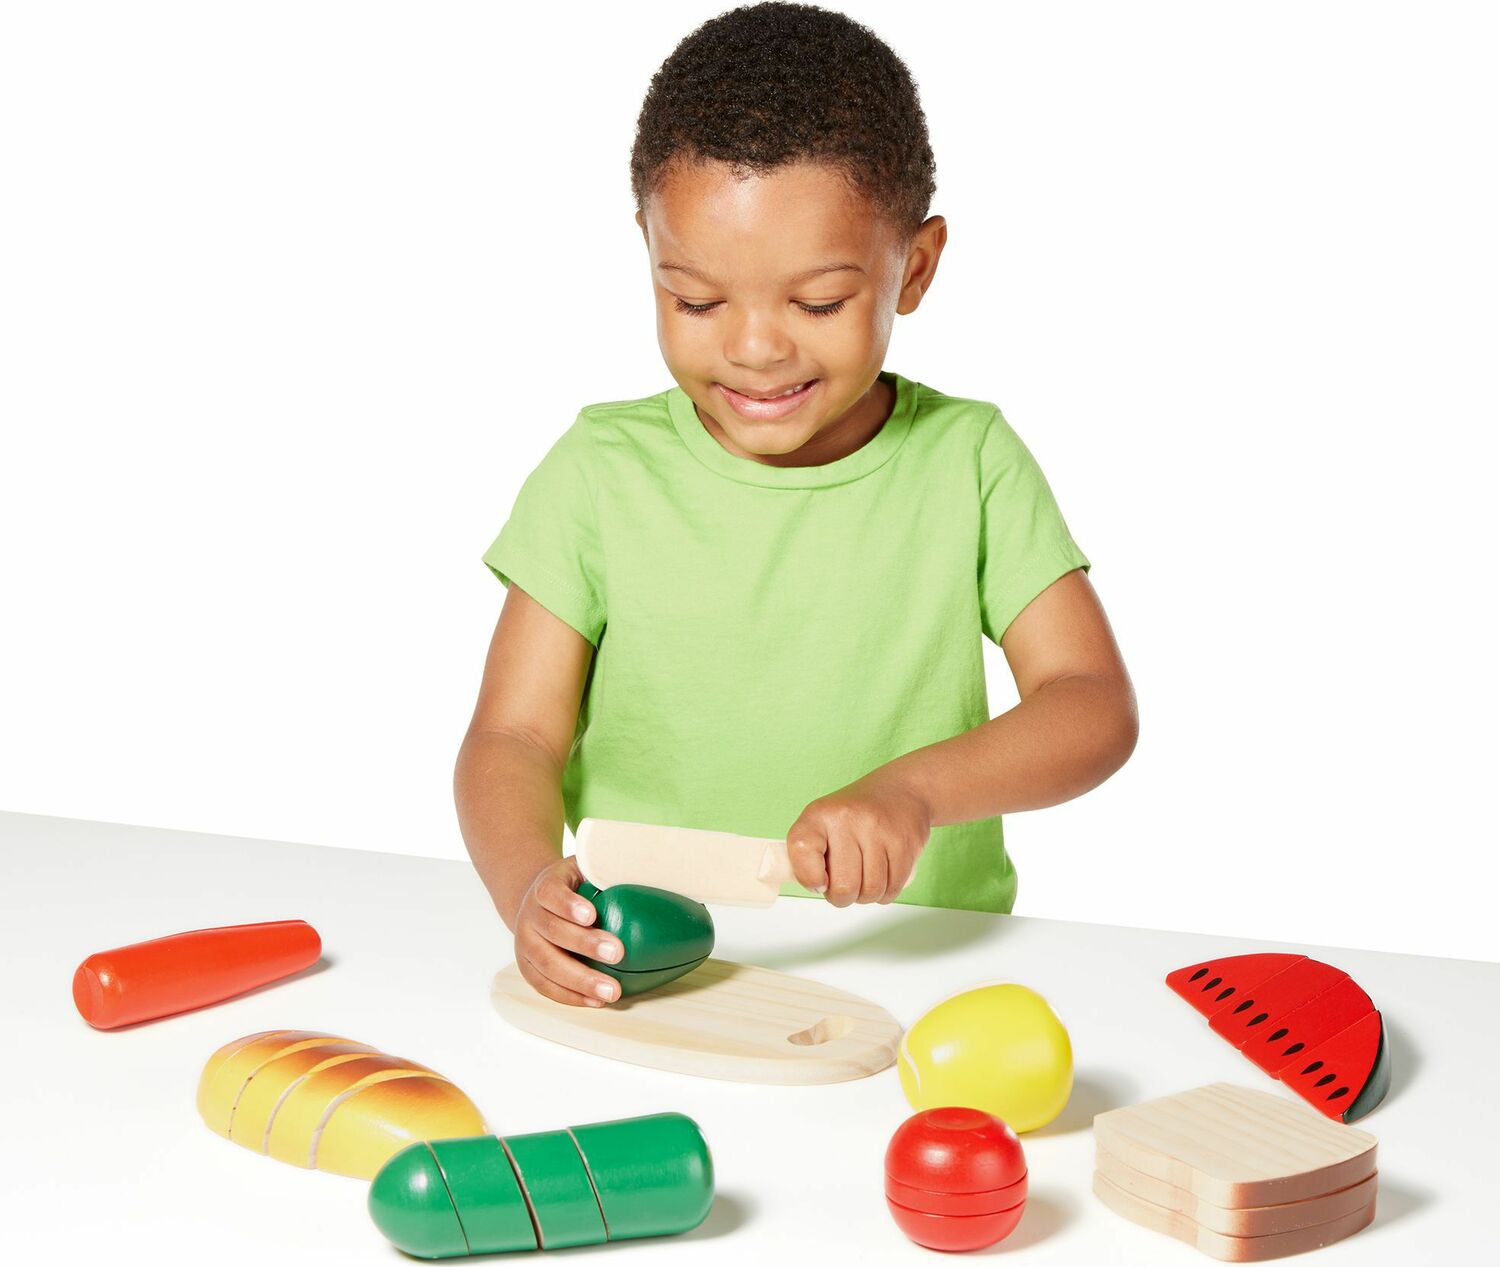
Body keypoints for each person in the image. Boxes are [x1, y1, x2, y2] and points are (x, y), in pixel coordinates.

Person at [455, 2, 1138, 1009]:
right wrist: (526, 889)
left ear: (916, 266)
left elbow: (1091, 704)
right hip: (647, 977)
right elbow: (512, 739)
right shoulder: (600, 470)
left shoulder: (969, 461)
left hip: (924, 970)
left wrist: (914, 792)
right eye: (695, 300)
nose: (756, 348)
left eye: (816, 303)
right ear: (647, 250)